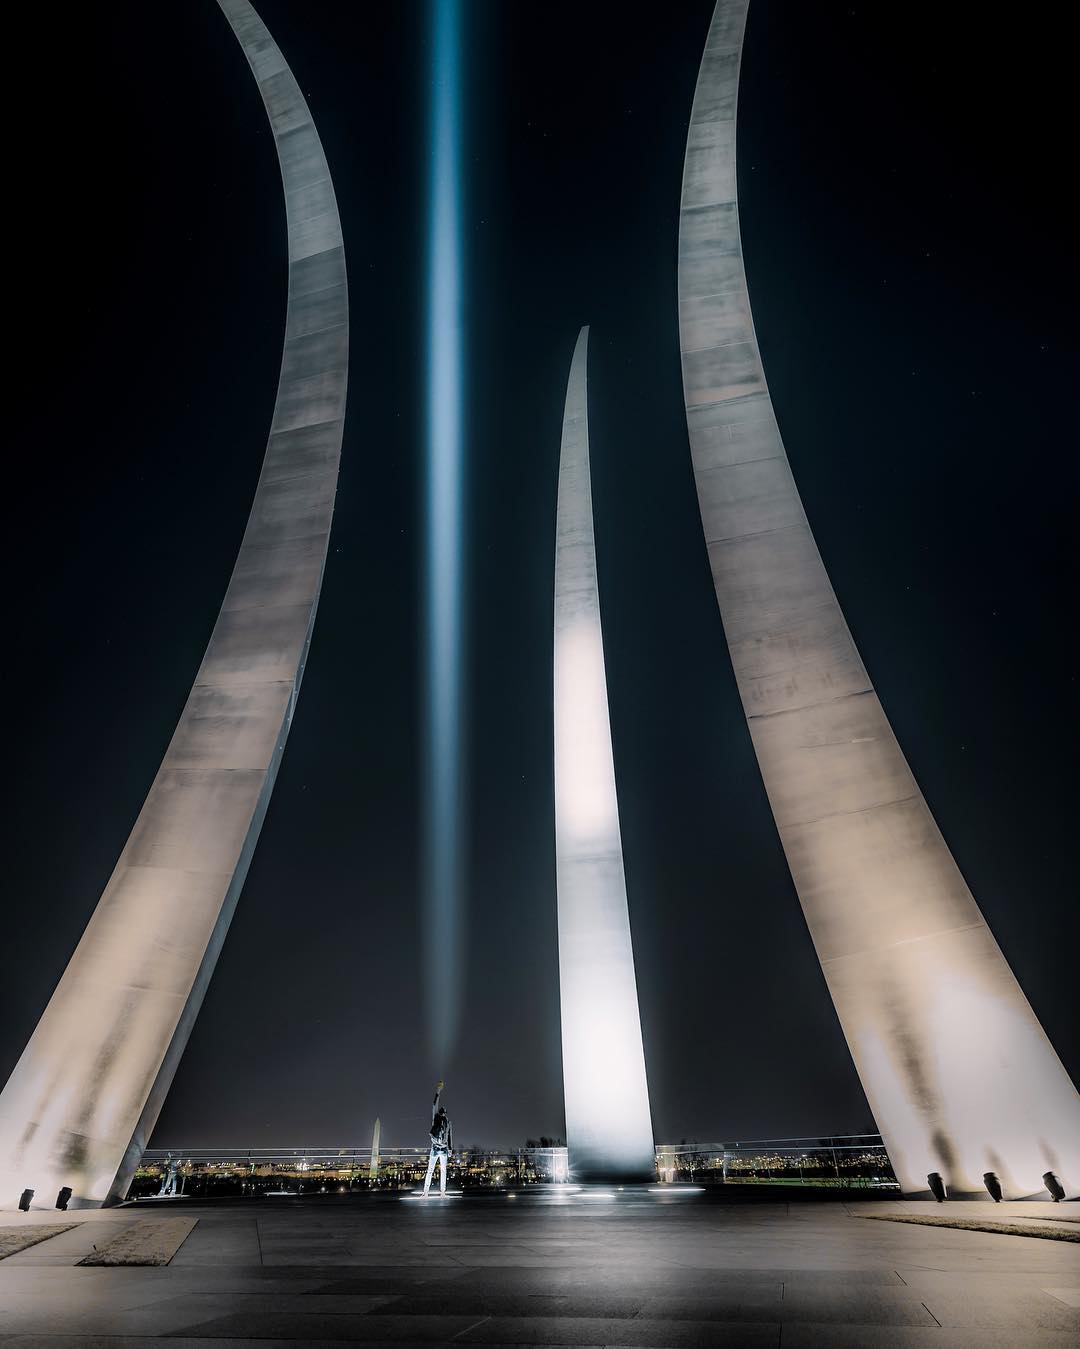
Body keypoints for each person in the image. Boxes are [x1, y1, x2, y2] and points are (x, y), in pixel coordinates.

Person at [422, 1080, 453, 1197]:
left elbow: (450, 1135)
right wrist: (438, 1092)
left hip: (444, 1149)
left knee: (443, 1171)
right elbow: (434, 1105)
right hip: (435, 1148)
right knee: (430, 1170)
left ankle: (443, 1192)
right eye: (442, 1112)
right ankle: (426, 1192)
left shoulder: (448, 1122)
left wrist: (450, 1148)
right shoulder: (435, 1118)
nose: (443, 1113)